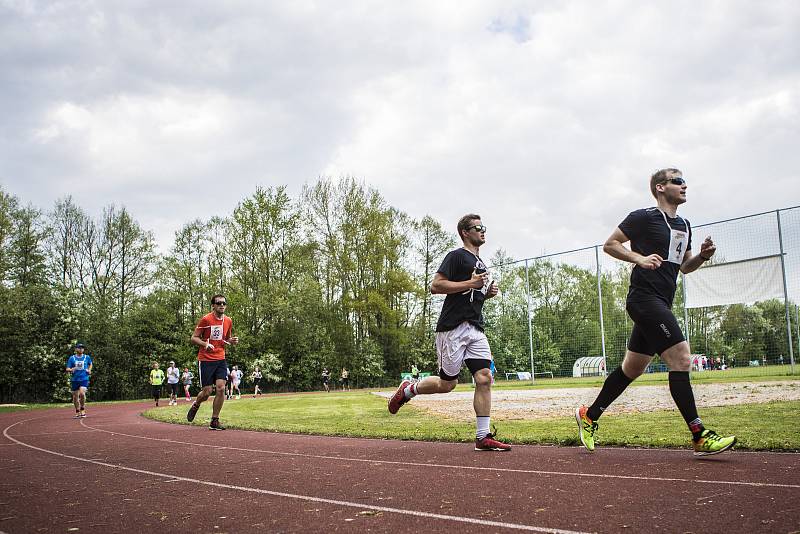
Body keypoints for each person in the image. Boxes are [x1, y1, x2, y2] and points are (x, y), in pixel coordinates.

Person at [576, 169, 736, 456]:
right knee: (682, 358)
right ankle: (699, 434)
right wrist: (639, 258)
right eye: (677, 180)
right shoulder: (643, 217)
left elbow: (684, 266)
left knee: (632, 369)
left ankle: (589, 415)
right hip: (644, 300)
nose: (684, 184)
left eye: (684, 180)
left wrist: (702, 256)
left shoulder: (685, 224)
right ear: (660, 187)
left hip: (662, 302)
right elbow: (610, 244)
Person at [388, 214, 510, 451]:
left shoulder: (481, 262)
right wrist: (471, 284)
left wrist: (486, 293)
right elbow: (436, 286)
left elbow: (472, 295)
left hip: (475, 327)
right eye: (479, 227)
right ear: (465, 232)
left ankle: (482, 436)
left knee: (484, 378)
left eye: (484, 227)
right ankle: (409, 389)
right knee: (447, 384)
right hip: (453, 328)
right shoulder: (456, 256)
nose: (484, 231)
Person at [186, 294, 239, 430]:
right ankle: (196, 404)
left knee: (221, 388)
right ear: (213, 305)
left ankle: (214, 420)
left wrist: (231, 341)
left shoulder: (228, 320)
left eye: (224, 303)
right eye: (219, 303)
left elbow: (225, 339)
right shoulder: (206, 319)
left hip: (220, 358)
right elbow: (194, 338)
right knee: (207, 392)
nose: (222, 305)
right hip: (206, 360)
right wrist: (205, 344)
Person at [65, 343, 92, 418]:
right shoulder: (72, 358)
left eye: (82, 348)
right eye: (79, 348)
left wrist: (89, 370)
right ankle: (77, 411)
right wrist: (71, 369)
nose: (81, 349)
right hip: (75, 380)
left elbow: (90, 364)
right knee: (75, 397)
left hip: (84, 378)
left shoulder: (87, 357)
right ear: (76, 349)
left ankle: (82, 409)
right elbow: (67, 369)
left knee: (82, 394)